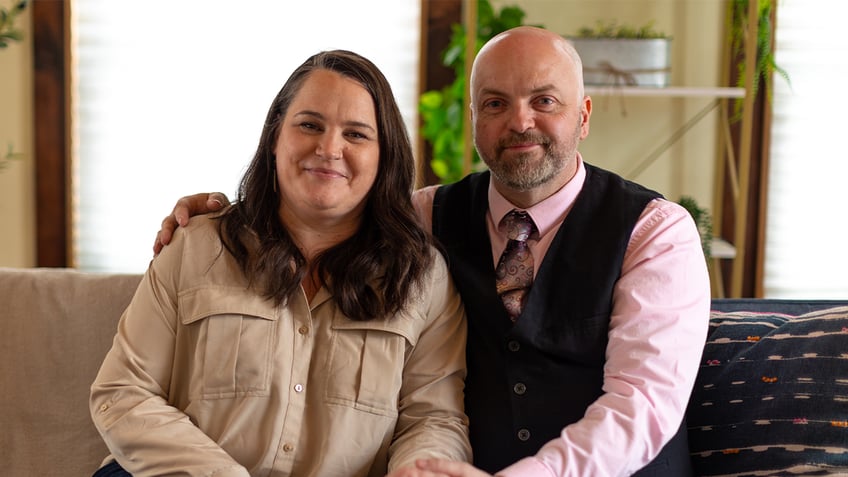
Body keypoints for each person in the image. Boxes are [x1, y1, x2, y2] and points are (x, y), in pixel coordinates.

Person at [153, 26, 711, 477]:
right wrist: (223, 215)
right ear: (474, 121)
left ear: (583, 115)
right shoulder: (421, 216)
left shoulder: (655, 232)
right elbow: (318, 201)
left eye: (544, 100)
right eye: (495, 103)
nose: (520, 121)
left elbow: (641, 406)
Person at [91, 49, 471, 477]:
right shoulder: (195, 247)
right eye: (309, 125)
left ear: (385, 157)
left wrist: (419, 470)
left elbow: (433, 419)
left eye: (357, 134)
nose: (329, 148)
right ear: (275, 138)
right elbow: (123, 392)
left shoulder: (423, 277)